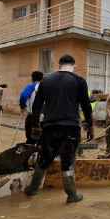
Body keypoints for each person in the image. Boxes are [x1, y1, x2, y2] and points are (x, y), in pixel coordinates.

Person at [25, 54, 93, 204]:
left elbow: (36, 106)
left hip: (49, 126)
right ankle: (72, 194)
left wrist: (35, 125)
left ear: (59, 64)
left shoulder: (46, 80)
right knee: (68, 160)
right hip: (71, 127)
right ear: (73, 65)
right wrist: (90, 125)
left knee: (44, 158)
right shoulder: (79, 81)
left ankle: (33, 189)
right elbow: (86, 106)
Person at [19, 71, 44, 144]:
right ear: (42, 78)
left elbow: (23, 96)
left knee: (31, 138)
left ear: (32, 78)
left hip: (33, 116)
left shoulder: (32, 86)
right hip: (44, 117)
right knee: (40, 140)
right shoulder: (46, 86)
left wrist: (22, 106)